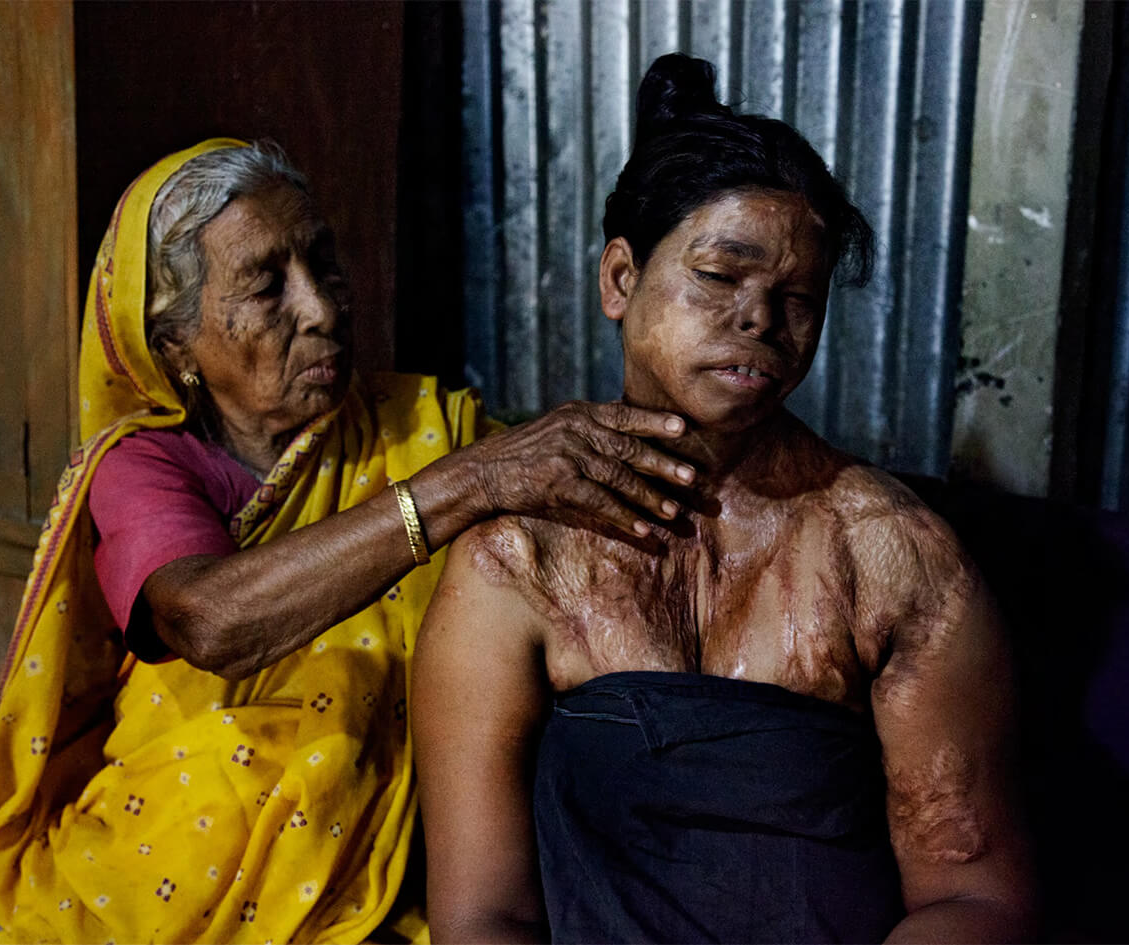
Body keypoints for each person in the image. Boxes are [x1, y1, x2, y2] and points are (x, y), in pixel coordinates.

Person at [0, 138, 699, 944]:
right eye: (266, 285)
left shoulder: (417, 428)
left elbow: (557, 521)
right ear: (175, 342)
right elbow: (209, 620)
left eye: (323, 264)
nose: (321, 309)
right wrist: (471, 483)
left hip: (379, 874)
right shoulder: (144, 464)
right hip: (166, 864)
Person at [414, 54, 1037, 944]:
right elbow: (483, 916)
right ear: (619, 280)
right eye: (719, 276)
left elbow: (971, 894)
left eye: (796, 298)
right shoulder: (517, 563)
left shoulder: (891, 556)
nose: (758, 321)